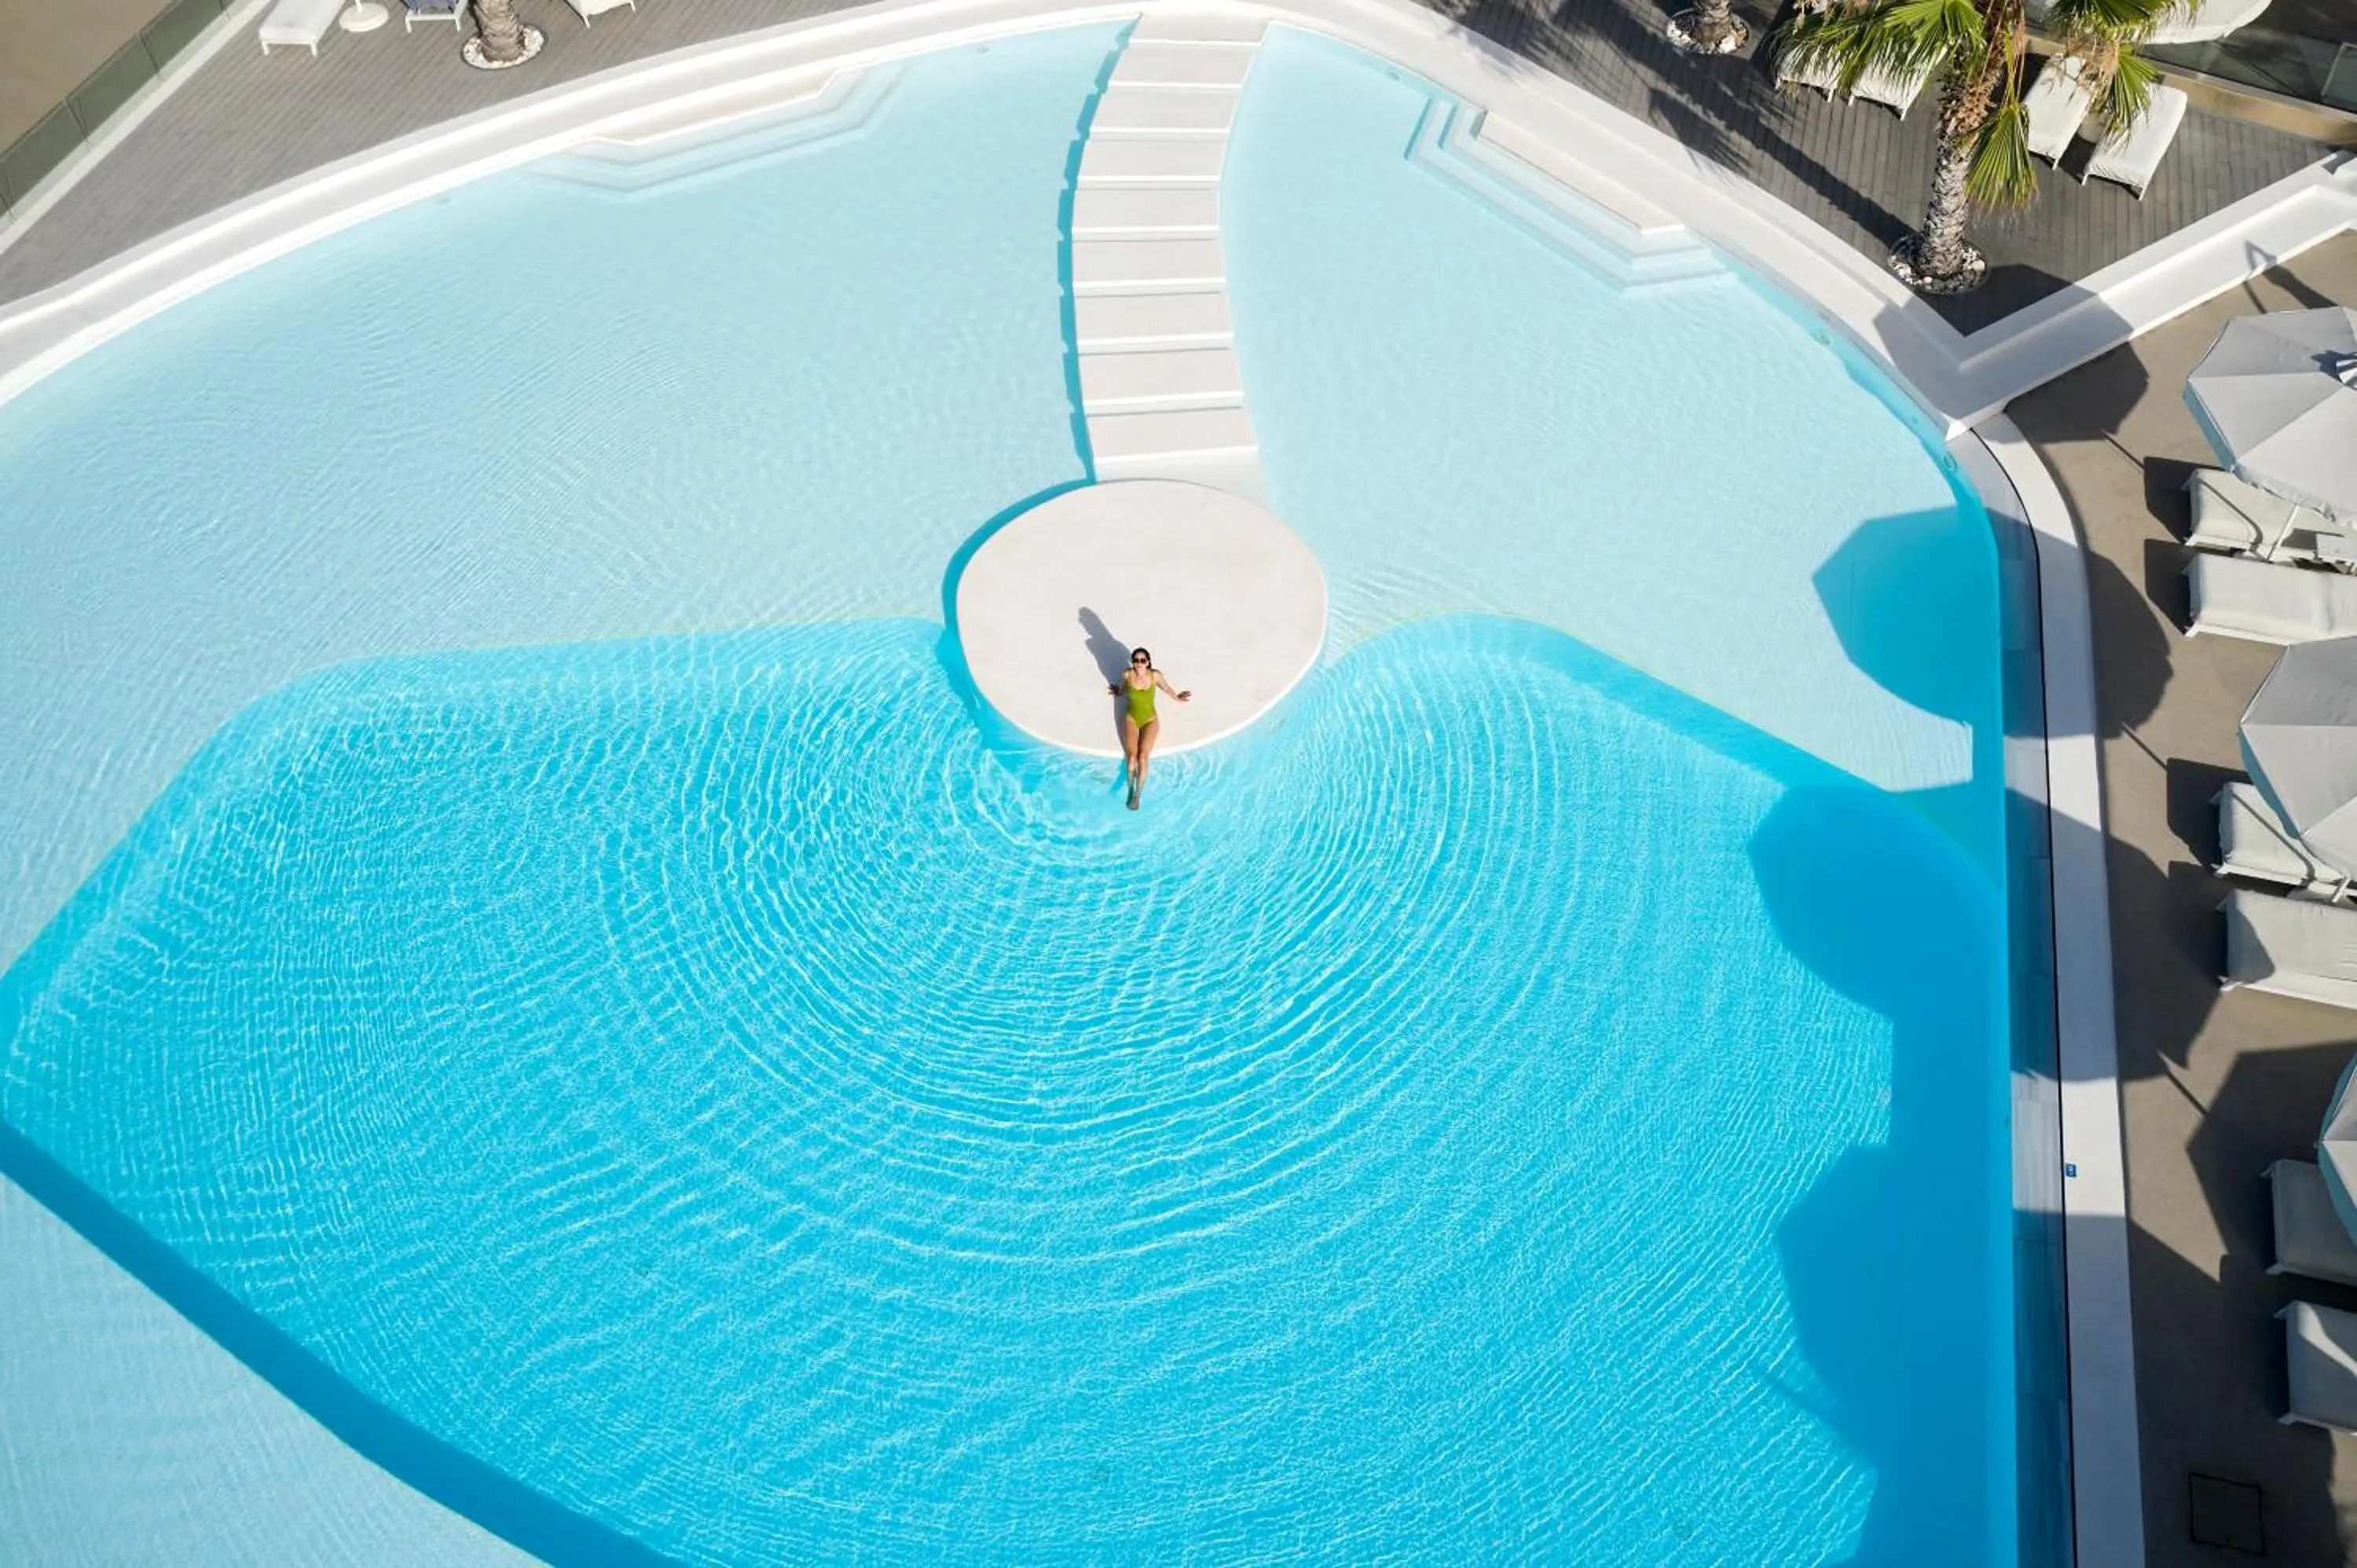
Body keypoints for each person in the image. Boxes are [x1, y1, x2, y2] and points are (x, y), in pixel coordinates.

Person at [1109, 647, 1189, 810]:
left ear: (1148, 662)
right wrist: (1118, 692)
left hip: (1150, 720)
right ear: (1133, 662)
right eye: (1136, 661)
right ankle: (1130, 788)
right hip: (1132, 719)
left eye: (1143, 661)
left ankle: (1138, 796)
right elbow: (1123, 687)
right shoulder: (1127, 674)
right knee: (1132, 757)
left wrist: (1177, 697)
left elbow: (1166, 688)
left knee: (1143, 758)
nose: (1139, 664)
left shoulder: (1155, 675)